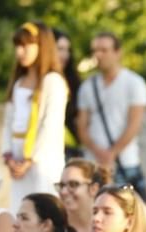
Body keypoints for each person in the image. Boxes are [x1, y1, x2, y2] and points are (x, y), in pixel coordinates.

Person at [76, 31, 146, 200]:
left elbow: (134, 124)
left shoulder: (134, 83)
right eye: (95, 50)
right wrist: (98, 152)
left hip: (125, 161)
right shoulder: (88, 86)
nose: (98, 55)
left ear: (117, 52)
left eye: (104, 50)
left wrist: (112, 153)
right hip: (93, 162)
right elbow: (82, 126)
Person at [1, 21, 67, 211]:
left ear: (42, 46)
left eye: (25, 46)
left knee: (42, 208)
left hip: (42, 160)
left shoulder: (53, 81)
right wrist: (9, 156)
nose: (19, 52)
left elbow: (50, 125)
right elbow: (8, 122)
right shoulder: (19, 82)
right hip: (17, 157)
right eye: (17, 46)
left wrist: (30, 160)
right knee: (19, 209)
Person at [56, 157, 113, 232]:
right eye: (62, 185)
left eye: (73, 184)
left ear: (94, 189)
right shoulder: (53, 231)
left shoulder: (110, 230)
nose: (63, 192)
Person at [53, 28, 83, 160]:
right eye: (60, 48)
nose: (65, 55)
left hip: (71, 150)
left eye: (67, 50)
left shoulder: (74, 82)